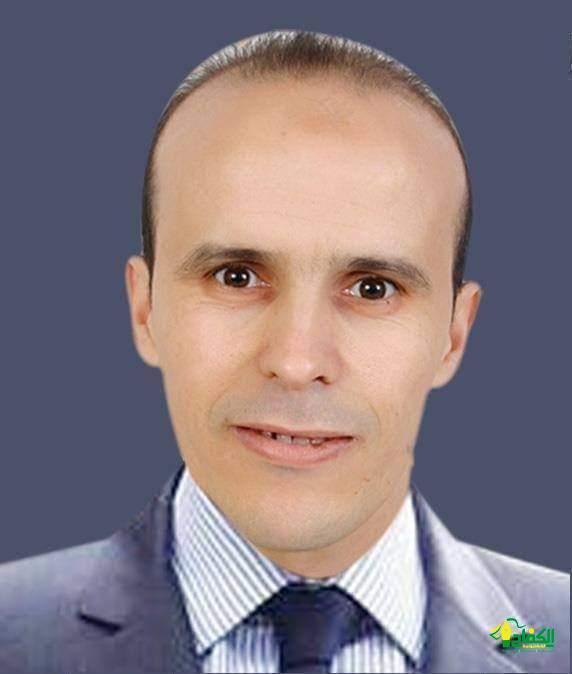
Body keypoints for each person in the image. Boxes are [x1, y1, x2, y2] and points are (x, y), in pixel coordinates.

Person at [0, 30, 568, 674]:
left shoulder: (552, 639)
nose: (297, 362)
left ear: (453, 335)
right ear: (145, 309)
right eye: (236, 276)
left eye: (373, 288)